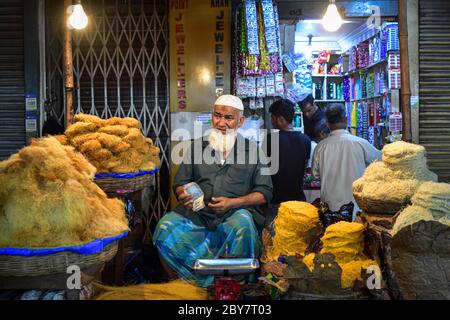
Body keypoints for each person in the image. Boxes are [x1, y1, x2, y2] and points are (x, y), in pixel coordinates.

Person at [153, 94, 273, 287]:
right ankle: (181, 285)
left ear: (240, 121)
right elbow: (180, 183)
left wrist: (234, 203)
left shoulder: (254, 151)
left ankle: (237, 286)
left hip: (235, 215)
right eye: (217, 116)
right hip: (199, 216)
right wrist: (183, 194)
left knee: (243, 223)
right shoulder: (196, 146)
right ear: (212, 116)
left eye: (228, 118)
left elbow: (264, 192)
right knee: (165, 226)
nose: (221, 122)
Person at [312, 104, 381, 219]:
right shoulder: (360, 143)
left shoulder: (320, 147)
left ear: (327, 124)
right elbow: (380, 161)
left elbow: (315, 175)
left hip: (329, 210)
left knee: (332, 236)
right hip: (356, 208)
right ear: (346, 120)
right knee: (355, 235)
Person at [265, 98, 311, 204]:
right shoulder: (306, 140)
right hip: (298, 199)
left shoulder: (270, 140)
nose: (271, 121)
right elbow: (304, 168)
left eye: (272, 117)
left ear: (280, 119)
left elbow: (265, 170)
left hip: (276, 200)